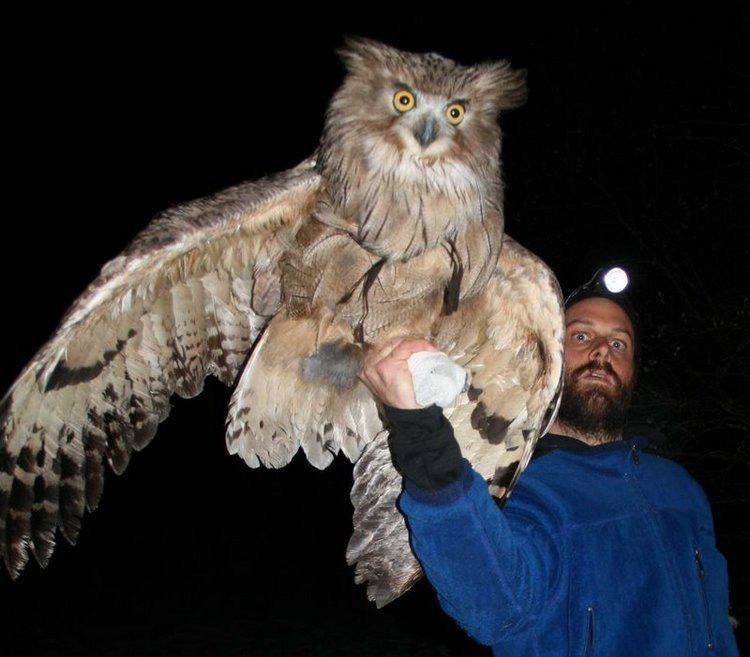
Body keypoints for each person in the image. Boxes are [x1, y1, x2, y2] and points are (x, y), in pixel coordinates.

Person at [358, 269, 739, 656]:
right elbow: (496, 607)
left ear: (633, 371)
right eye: (581, 336)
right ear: (551, 354)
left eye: (619, 343)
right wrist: (419, 428)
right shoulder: (526, 486)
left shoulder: (678, 486)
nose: (602, 351)